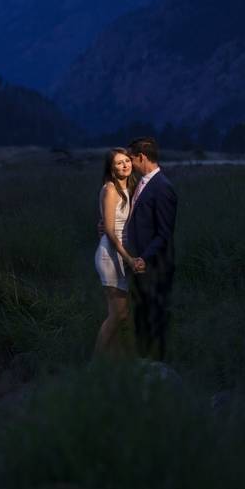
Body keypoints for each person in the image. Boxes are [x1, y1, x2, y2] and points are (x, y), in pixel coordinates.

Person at [124, 136, 178, 361]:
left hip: (155, 266)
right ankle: (142, 366)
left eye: (131, 159)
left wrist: (144, 258)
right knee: (141, 317)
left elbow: (164, 233)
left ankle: (157, 369)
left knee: (155, 318)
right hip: (139, 264)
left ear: (141, 157)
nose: (129, 165)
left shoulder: (163, 188)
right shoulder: (142, 184)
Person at [94, 148, 137, 357]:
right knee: (117, 314)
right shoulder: (110, 189)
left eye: (127, 160)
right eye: (119, 163)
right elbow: (110, 231)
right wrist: (128, 258)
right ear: (111, 168)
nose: (125, 165)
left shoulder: (129, 187)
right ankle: (95, 365)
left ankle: (115, 362)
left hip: (121, 252)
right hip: (110, 254)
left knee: (122, 313)